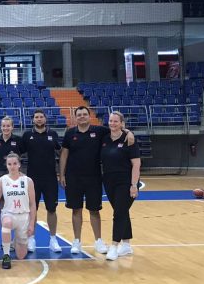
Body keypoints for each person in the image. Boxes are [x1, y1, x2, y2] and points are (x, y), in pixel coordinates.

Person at [60, 106, 134, 255]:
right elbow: (64, 155)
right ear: (75, 117)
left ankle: (98, 241)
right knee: (76, 209)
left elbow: (116, 128)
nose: (82, 116)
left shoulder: (99, 131)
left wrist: (128, 132)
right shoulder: (69, 133)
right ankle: (77, 241)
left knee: (94, 210)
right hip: (73, 178)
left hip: (94, 178)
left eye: (84, 114)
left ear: (89, 116)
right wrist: (61, 175)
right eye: (79, 115)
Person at [100, 112, 141, 261]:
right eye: (110, 121)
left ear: (122, 123)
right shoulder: (104, 138)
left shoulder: (128, 139)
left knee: (119, 213)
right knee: (122, 211)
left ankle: (114, 246)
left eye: (116, 121)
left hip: (125, 182)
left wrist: (133, 185)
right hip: (109, 181)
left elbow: (136, 164)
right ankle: (126, 245)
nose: (112, 123)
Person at [20, 109, 62, 253]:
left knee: (52, 209)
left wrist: (62, 173)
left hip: (50, 178)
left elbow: (61, 152)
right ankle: (31, 238)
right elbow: (18, 153)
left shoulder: (53, 134)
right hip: (32, 179)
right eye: (36, 117)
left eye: (41, 117)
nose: (39, 119)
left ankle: (53, 239)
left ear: (45, 119)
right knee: (33, 209)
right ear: (33, 120)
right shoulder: (27, 135)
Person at [0, 153, 36, 269]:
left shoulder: (28, 181)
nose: (12, 166)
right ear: (6, 165)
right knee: (7, 223)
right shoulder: (2, 180)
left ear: (19, 164)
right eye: (9, 164)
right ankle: (6, 255)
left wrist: (31, 224)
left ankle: (16, 240)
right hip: (8, 213)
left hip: (23, 216)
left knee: (21, 256)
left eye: (15, 163)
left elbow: (32, 203)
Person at [0, 116, 22, 182]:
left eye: (8, 126)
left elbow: (21, 152)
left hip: (14, 171)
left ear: (12, 127)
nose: (5, 128)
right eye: (3, 126)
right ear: (1, 127)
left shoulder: (18, 140)